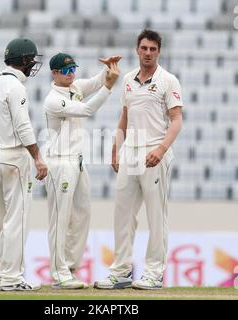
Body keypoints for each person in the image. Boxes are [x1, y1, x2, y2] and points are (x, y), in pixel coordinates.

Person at [94, 29, 184, 290]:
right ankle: (121, 272)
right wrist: (115, 148)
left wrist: (162, 149)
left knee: (156, 217)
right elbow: (125, 115)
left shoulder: (168, 80)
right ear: (137, 49)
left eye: (152, 49)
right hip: (130, 154)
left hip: (154, 153)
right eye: (144, 48)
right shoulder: (129, 79)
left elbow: (177, 121)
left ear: (159, 51)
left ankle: (154, 272)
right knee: (122, 216)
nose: (147, 53)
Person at [43, 53, 121, 289]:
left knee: (81, 216)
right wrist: (108, 88)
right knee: (61, 219)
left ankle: (69, 268)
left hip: (77, 162)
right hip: (59, 162)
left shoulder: (74, 86)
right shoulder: (53, 99)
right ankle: (58, 272)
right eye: (66, 71)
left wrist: (108, 70)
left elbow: (96, 81)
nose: (71, 75)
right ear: (54, 74)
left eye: (73, 69)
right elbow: (86, 109)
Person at [0, 38, 48, 291]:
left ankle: (1, 274)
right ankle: (12, 278)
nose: (33, 63)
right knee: (18, 220)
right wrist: (37, 157)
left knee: (4, 220)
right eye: (31, 59)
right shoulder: (15, 86)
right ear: (23, 60)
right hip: (14, 156)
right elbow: (23, 125)